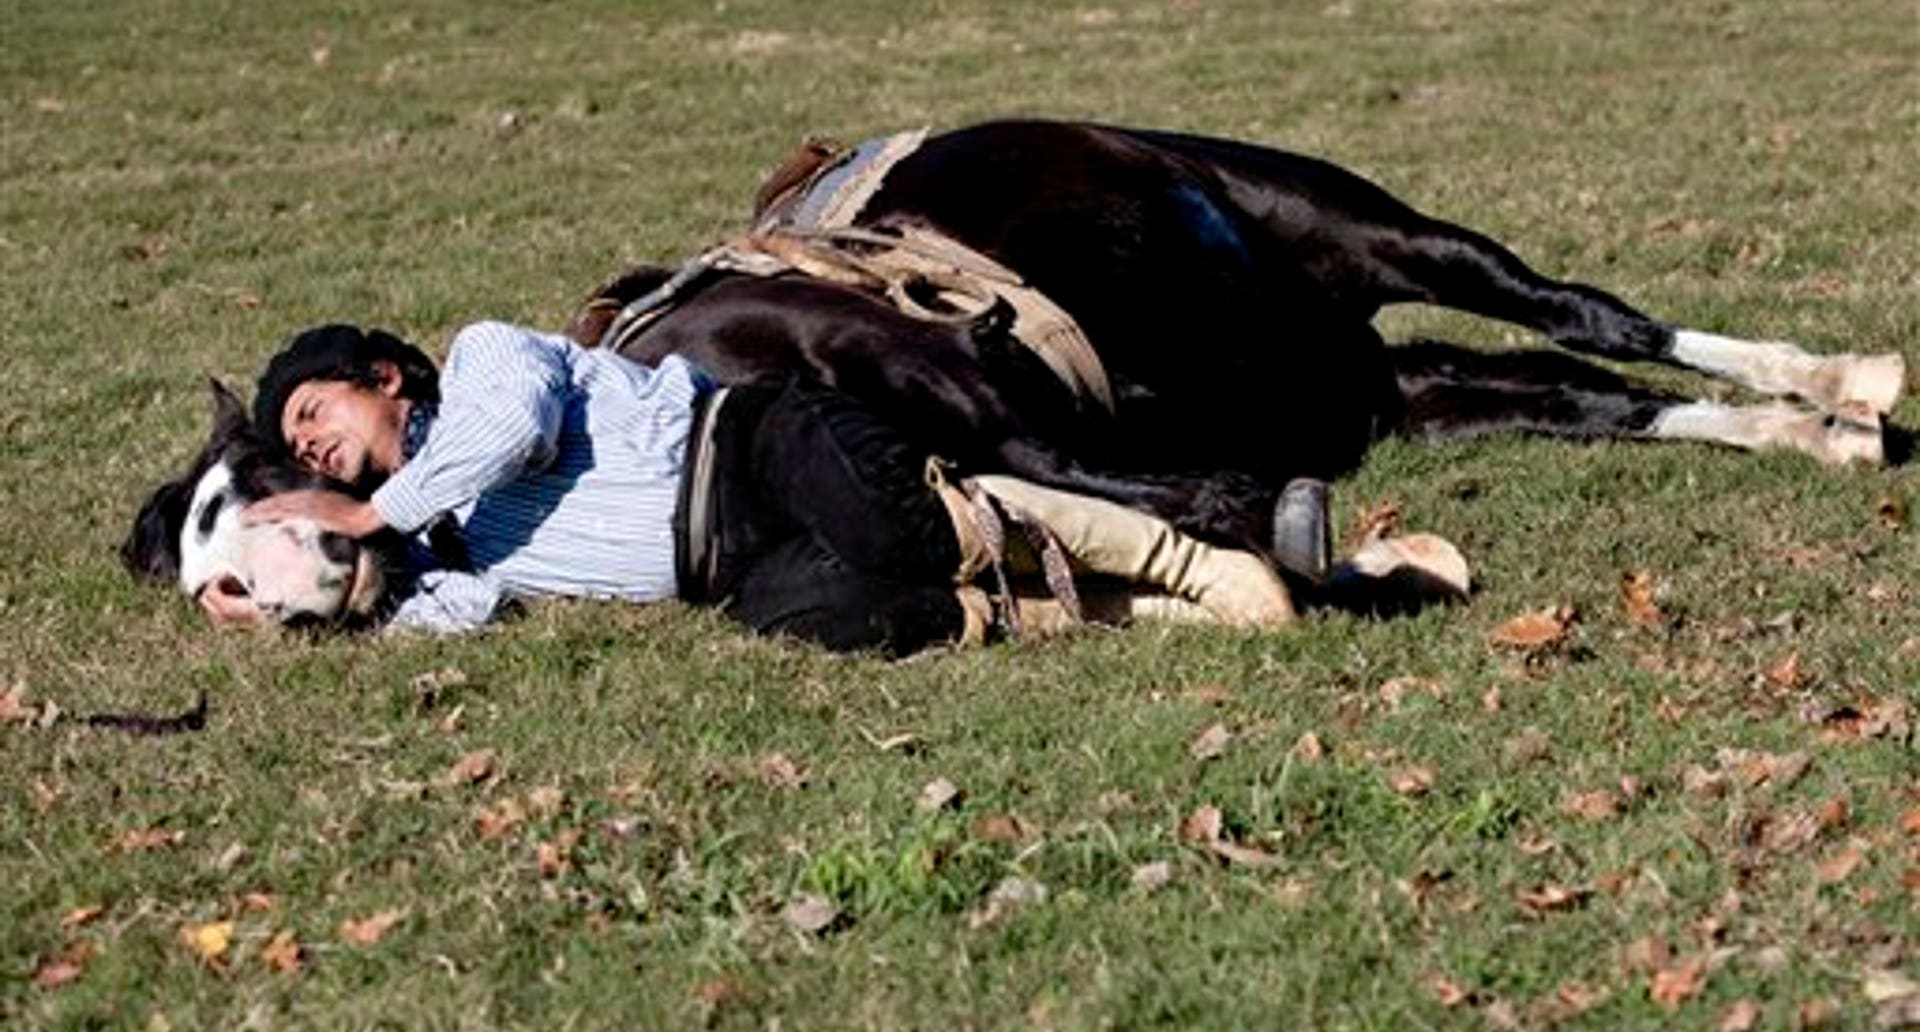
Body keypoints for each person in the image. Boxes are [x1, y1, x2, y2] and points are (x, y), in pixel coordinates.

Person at [214, 320, 1298, 655]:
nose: (310, 450)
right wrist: (303, 601)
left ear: (383, 377)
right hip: (727, 567)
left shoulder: (489, 356)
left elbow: (517, 430)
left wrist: (368, 512)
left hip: (746, 446)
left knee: (895, 524)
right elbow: (480, 612)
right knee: (838, 617)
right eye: (296, 451)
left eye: (313, 414)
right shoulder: (439, 542)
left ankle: (1184, 556)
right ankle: (1140, 609)